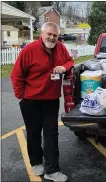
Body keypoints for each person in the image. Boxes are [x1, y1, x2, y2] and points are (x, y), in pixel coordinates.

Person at [11, 22, 74, 182]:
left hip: (51, 100)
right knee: (33, 134)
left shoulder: (60, 48)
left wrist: (64, 67)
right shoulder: (29, 50)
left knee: (51, 134)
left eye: (55, 35)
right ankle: (36, 162)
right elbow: (16, 75)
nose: (52, 38)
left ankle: (52, 170)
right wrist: (21, 96)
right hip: (31, 101)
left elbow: (70, 61)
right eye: (49, 34)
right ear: (42, 33)